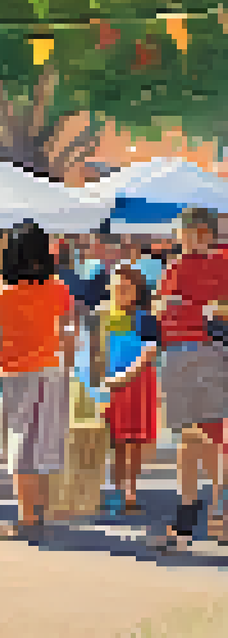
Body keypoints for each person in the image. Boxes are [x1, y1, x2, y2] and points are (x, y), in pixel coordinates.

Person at [0, 221, 75, 542]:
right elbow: (68, 332)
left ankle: (27, 518)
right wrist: (68, 366)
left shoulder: (0, 293)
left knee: (20, 445)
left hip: (16, 375)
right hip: (52, 370)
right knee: (44, 444)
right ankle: (40, 511)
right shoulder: (58, 288)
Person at [151, 207, 228, 550]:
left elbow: (214, 308)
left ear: (207, 233)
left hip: (206, 352)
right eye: (185, 232)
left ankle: (212, 515)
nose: (188, 238)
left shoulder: (220, 261)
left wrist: (195, 308)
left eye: (195, 232)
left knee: (209, 435)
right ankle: (196, 516)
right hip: (179, 354)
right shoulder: (175, 265)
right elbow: (160, 307)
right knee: (191, 436)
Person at [97, 265, 160, 516]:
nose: (119, 293)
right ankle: (116, 490)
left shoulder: (145, 318)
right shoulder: (103, 316)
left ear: (136, 291)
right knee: (116, 442)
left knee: (134, 441)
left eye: (125, 288)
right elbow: (95, 349)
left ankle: (130, 492)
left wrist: (127, 375)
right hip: (110, 385)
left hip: (138, 384)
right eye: (115, 288)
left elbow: (150, 351)